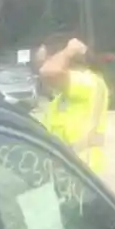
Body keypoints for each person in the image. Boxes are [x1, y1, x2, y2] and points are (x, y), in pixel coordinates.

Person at [32, 34, 109, 174]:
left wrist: (69, 50)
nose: (42, 66)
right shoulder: (63, 94)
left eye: (47, 60)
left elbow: (47, 71)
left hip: (80, 170)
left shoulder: (86, 82)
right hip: (68, 169)